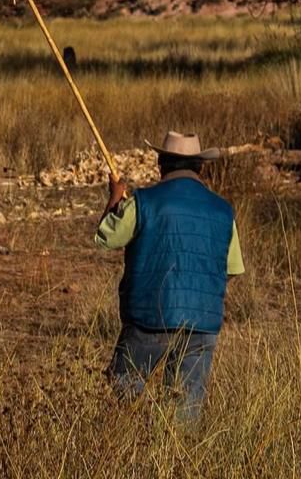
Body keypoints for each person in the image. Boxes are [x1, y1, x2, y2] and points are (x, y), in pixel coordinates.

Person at [95, 131, 244, 423]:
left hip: (148, 319)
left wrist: (114, 201)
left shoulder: (144, 202)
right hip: (203, 324)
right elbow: (231, 269)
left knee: (124, 401)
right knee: (185, 413)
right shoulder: (223, 211)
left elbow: (106, 238)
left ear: (161, 163)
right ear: (200, 166)